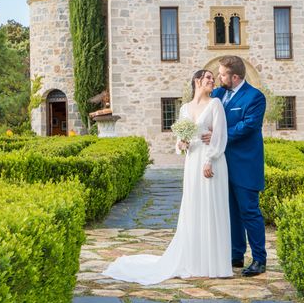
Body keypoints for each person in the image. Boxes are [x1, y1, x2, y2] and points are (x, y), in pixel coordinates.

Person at [102, 70, 232, 285]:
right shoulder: (184, 109)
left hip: (212, 160)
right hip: (192, 161)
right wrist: (181, 144)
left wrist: (210, 159)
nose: (212, 81)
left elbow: (220, 135)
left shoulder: (216, 104)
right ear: (197, 81)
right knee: (193, 207)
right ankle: (194, 260)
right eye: (208, 78)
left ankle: (214, 263)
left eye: (213, 78)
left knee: (212, 206)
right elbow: (181, 139)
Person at [206, 55, 267, 277]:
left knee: (249, 212)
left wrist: (217, 137)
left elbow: (248, 126)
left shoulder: (255, 97)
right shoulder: (219, 94)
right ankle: (236, 254)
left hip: (245, 164)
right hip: (223, 165)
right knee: (231, 211)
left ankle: (260, 259)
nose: (219, 78)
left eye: (222, 74)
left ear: (235, 76)